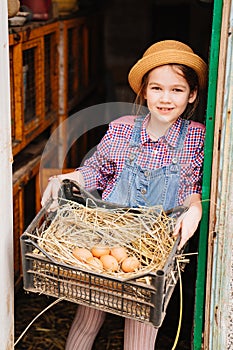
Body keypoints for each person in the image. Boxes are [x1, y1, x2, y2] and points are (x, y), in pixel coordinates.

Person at [41, 39, 207, 350]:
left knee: (141, 329)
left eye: (177, 90)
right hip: (106, 238)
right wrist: (67, 178)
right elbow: (96, 171)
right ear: (144, 91)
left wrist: (195, 206)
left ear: (192, 94)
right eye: (157, 88)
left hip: (153, 253)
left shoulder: (196, 137)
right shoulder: (121, 129)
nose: (165, 98)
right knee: (88, 317)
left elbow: (188, 187)